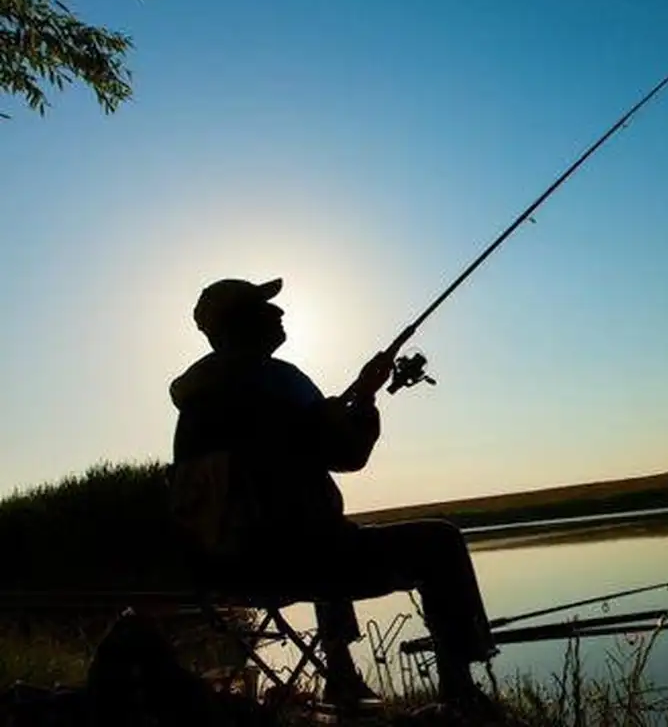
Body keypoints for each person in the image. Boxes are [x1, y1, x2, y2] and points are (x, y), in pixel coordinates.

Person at [167, 277, 499, 716]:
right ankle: (459, 696)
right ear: (237, 323)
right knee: (439, 541)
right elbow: (347, 452)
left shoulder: (195, 404)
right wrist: (364, 399)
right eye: (265, 308)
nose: (279, 314)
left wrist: (340, 404)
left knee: (315, 527)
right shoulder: (278, 380)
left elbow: (285, 448)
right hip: (297, 563)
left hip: (225, 570)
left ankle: (341, 676)